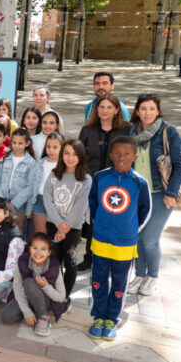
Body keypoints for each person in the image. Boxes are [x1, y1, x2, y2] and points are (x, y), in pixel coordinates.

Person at [88, 136, 151, 341]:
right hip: (100, 241)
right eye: (117, 153)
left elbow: (145, 211)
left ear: (134, 157)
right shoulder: (100, 178)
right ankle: (99, 316)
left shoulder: (140, 183)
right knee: (98, 280)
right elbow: (93, 204)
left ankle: (111, 319)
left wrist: (131, 230)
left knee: (119, 283)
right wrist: (99, 226)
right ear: (111, 155)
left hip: (125, 243)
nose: (121, 158)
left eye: (126, 154)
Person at [127, 94, 181, 296]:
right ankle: (139, 274)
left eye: (151, 109)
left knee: (150, 239)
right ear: (137, 111)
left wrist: (171, 193)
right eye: (143, 109)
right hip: (136, 194)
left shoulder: (168, 133)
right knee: (137, 237)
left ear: (158, 111)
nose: (147, 113)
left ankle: (152, 276)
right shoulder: (131, 132)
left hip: (160, 194)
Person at [77, 94, 131, 270]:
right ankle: (89, 256)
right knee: (93, 222)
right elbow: (80, 155)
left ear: (117, 110)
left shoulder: (126, 129)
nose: (104, 111)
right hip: (92, 183)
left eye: (109, 107)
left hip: (117, 184)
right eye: (101, 107)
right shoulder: (87, 130)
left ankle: (113, 259)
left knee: (114, 222)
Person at [43, 139, 92, 305]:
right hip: (53, 226)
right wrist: (58, 223)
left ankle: (64, 296)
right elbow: (48, 199)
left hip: (73, 229)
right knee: (53, 262)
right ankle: (52, 293)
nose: (70, 158)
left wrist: (65, 227)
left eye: (74, 154)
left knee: (70, 263)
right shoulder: (54, 174)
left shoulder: (86, 179)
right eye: (66, 153)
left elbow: (81, 206)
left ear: (81, 156)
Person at [0, 233, 67, 337]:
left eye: (43, 249)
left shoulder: (54, 266)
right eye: (35, 248)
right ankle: (33, 312)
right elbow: (17, 287)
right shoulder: (22, 261)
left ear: (49, 252)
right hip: (26, 297)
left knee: (29, 283)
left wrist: (45, 286)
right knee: (5, 317)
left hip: (46, 300)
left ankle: (43, 316)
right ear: (29, 248)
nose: (38, 252)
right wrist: (27, 312)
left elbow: (61, 297)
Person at [0, 128, 36, 231]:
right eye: (14, 143)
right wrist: (2, 200)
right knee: (1, 228)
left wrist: (14, 203)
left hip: (19, 204)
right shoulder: (4, 159)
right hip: (3, 201)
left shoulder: (31, 163)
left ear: (27, 143)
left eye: (20, 143)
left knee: (16, 228)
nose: (17, 146)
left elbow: (30, 186)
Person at [31, 133, 65, 235]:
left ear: (62, 148)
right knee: (40, 234)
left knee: (56, 234)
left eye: (55, 147)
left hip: (58, 202)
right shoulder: (40, 163)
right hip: (40, 200)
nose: (51, 150)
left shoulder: (65, 165)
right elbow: (33, 184)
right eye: (48, 147)